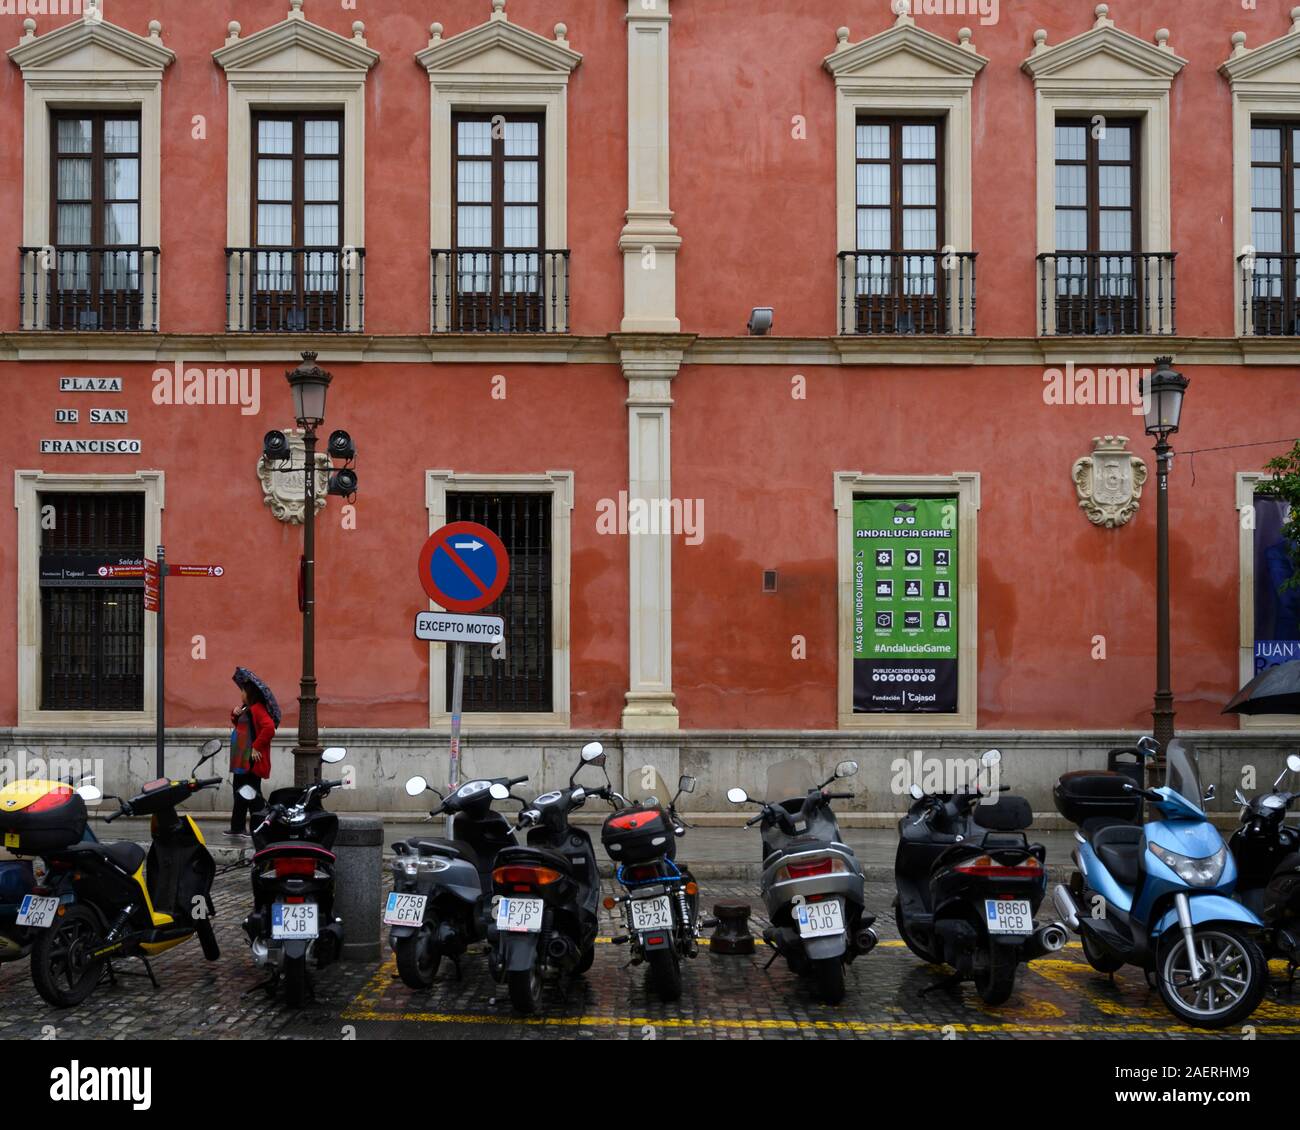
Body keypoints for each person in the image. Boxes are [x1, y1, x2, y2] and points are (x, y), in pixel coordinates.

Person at [226, 668, 279, 840]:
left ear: (249, 693)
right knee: (239, 793)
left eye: (242, 690)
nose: (240, 693)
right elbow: (241, 727)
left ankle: (260, 826)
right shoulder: (247, 709)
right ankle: (237, 827)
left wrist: (256, 747)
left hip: (249, 761)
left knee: (252, 795)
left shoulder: (257, 709)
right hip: (241, 760)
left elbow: (269, 728)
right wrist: (235, 715)